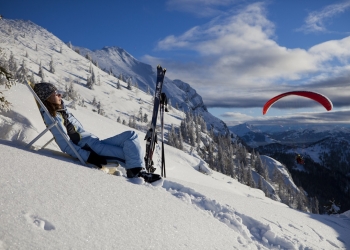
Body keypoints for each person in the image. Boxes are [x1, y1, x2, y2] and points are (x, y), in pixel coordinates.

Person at [33, 82, 161, 184]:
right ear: (47, 98)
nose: (60, 95)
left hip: (95, 143)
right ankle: (138, 174)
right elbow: (65, 145)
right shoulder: (54, 117)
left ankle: (139, 170)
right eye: (56, 93)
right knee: (128, 153)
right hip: (92, 149)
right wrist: (89, 157)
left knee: (131, 135)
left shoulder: (61, 111)